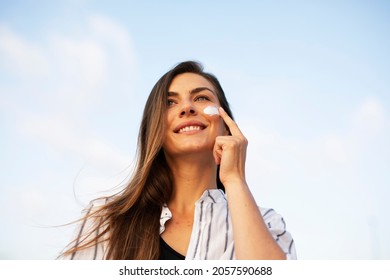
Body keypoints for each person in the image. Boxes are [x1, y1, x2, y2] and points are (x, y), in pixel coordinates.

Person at [58, 61, 297, 260]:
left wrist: (235, 180)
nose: (187, 108)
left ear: (226, 126)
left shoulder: (267, 223)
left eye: (202, 98)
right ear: (155, 130)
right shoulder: (105, 222)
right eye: (170, 102)